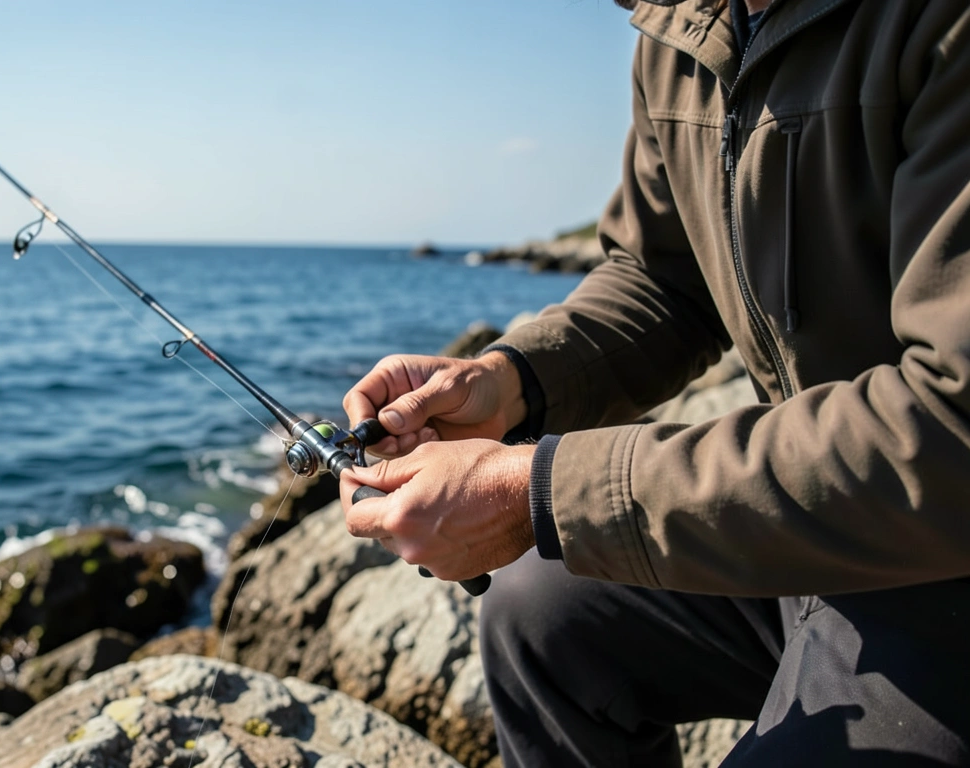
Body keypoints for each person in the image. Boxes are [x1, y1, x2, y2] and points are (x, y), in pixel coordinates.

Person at [338, 0, 970, 765]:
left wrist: (537, 491)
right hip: (819, 530)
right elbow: (666, 277)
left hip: (944, 561)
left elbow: (950, 423)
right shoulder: (683, 30)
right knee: (537, 613)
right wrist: (509, 383)